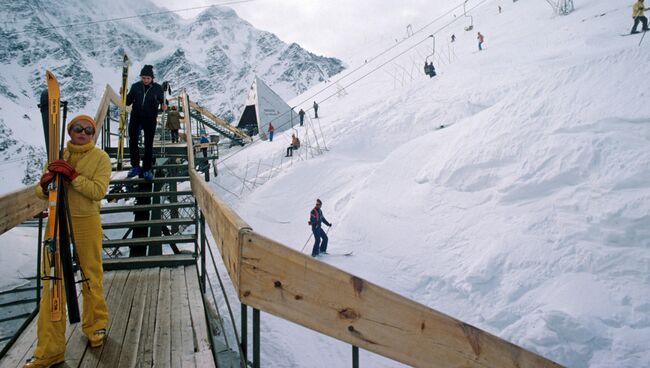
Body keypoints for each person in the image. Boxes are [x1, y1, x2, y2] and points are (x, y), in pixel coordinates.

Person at [28, 115, 111, 368]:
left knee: (91, 273)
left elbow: (98, 191)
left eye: (88, 130)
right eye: (78, 128)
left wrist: (73, 176)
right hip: (57, 217)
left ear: (93, 134)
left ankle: (95, 326)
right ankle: (49, 350)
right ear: (69, 130)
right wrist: (43, 186)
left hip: (86, 220)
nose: (83, 133)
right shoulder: (58, 156)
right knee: (52, 280)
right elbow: (42, 189)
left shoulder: (101, 158)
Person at [126, 65, 166, 182]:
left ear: (152, 78)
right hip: (136, 117)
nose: (145, 80)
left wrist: (164, 105)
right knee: (133, 141)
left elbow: (163, 101)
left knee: (149, 144)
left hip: (150, 119)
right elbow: (128, 102)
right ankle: (135, 166)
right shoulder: (135, 87)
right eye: (143, 78)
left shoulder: (157, 88)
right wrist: (124, 94)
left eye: (148, 78)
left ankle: (147, 169)